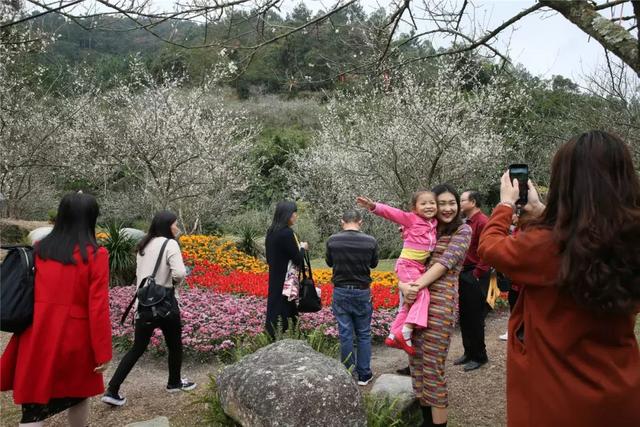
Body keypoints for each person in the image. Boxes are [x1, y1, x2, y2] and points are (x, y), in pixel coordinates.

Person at [478, 130, 640, 427]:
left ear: (565, 183)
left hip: (555, 397)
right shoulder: (630, 239)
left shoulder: (546, 244)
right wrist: (540, 212)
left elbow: (490, 248)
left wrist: (503, 207)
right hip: (622, 391)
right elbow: (588, 233)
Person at [1, 192, 112, 427]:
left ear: (62, 216)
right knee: (78, 393)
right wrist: (103, 352)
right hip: (75, 337)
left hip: (36, 332)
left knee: (32, 404)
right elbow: (98, 307)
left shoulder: (40, 249)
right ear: (91, 218)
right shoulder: (96, 255)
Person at [102, 211, 194, 407]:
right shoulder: (170, 244)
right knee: (175, 345)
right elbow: (178, 272)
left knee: (137, 347)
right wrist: (175, 281)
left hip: (144, 305)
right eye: (175, 224)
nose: (177, 228)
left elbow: (140, 276)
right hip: (166, 304)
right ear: (168, 226)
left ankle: (112, 389)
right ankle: (174, 382)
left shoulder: (143, 245)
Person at [399, 184, 471, 427]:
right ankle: (425, 420)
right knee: (416, 364)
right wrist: (402, 285)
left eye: (453, 203)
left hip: (439, 308)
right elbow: (406, 259)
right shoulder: (425, 231)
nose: (448, 208)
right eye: (443, 204)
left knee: (433, 369)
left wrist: (415, 286)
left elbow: (443, 264)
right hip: (415, 306)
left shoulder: (463, 230)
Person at [357, 192, 437, 354]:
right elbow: (393, 213)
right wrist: (373, 206)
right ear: (415, 208)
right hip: (407, 265)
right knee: (422, 295)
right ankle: (406, 331)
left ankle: (394, 334)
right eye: (424, 204)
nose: (429, 206)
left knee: (410, 301)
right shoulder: (411, 219)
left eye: (432, 203)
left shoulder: (434, 223)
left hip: (419, 267)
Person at [325, 209, 379, 386]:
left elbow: (330, 263)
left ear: (342, 221)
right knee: (363, 333)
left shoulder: (333, 240)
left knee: (345, 334)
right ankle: (364, 374)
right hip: (362, 291)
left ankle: (348, 372)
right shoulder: (370, 241)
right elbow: (373, 264)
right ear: (360, 222)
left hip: (340, 290)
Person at [454, 190, 490, 371]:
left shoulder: (483, 222)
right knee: (466, 316)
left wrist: (477, 274)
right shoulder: (465, 222)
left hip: (475, 274)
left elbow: (487, 250)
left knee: (475, 317)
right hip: (464, 273)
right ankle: (469, 352)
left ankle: (480, 355)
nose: (458, 204)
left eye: (462, 200)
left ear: (473, 202)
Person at [265, 201, 308, 339]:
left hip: (275, 275)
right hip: (287, 279)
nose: (296, 216)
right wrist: (303, 248)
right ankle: (290, 336)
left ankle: (272, 335)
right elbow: (297, 259)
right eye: (295, 213)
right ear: (288, 215)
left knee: (276, 305)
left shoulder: (271, 232)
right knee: (286, 306)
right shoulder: (287, 233)